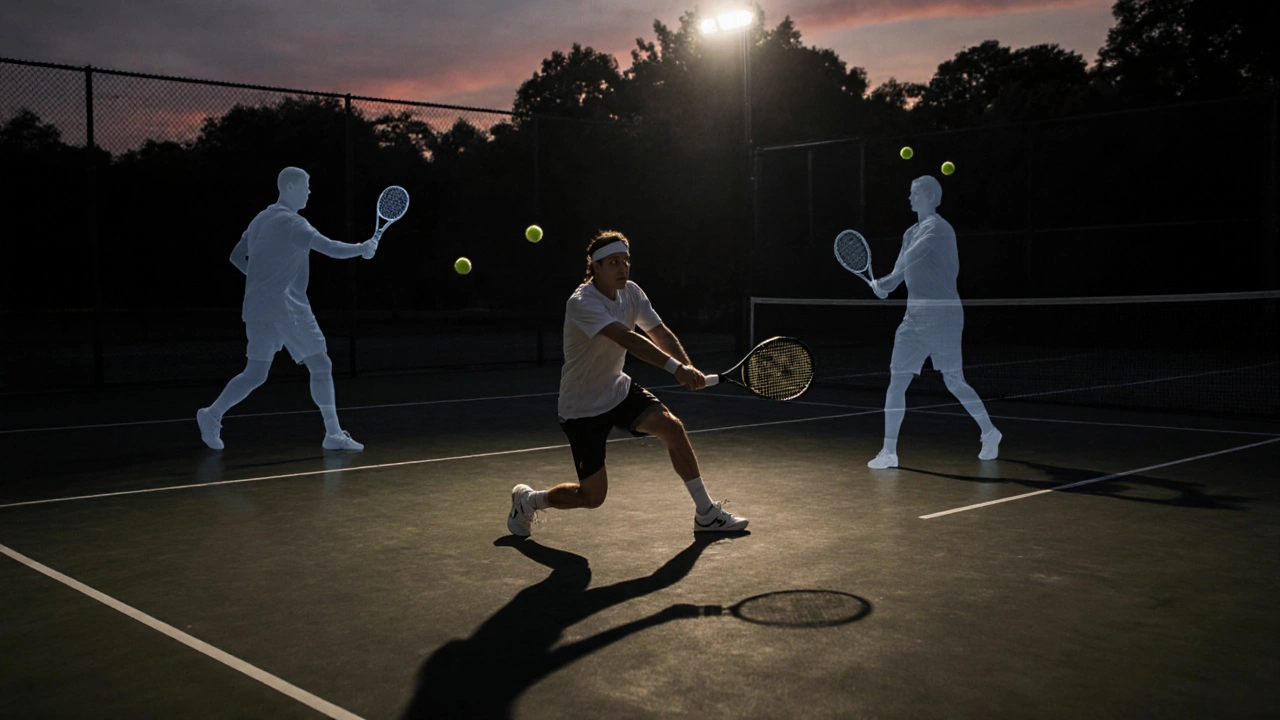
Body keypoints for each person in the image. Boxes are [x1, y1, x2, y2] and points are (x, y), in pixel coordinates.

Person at [506, 231, 748, 537]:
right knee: (592, 498)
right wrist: (675, 369)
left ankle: (706, 514)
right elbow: (626, 338)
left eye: (625, 261)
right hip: (581, 407)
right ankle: (529, 501)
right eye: (613, 263)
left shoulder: (632, 292)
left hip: (618, 390)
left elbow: (659, 332)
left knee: (672, 428)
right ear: (595, 267)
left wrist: (687, 367)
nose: (623, 268)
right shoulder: (581, 302)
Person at [197, 167, 377, 451]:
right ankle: (332, 434)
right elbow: (329, 248)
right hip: (286, 307)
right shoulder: (294, 224)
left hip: (257, 306)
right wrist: (362, 248)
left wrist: (261, 280)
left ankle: (211, 414)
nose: (309, 191)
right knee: (320, 363)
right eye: (306, 185)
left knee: (255, 373)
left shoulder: (260, 219)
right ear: (290, 187)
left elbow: (235, 256)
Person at [866, 175, 1001, 469]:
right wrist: (886, 286)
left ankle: (990, 433)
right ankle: (889, 451)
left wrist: (884, 283)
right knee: (896, 381)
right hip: (913, 318)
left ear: (929, 197)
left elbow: (909, 261)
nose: (909, 199)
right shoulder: (909, 232)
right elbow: (900, 272)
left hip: (944, 316)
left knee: (954, 382)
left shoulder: (939, 230)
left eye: (914, 194)